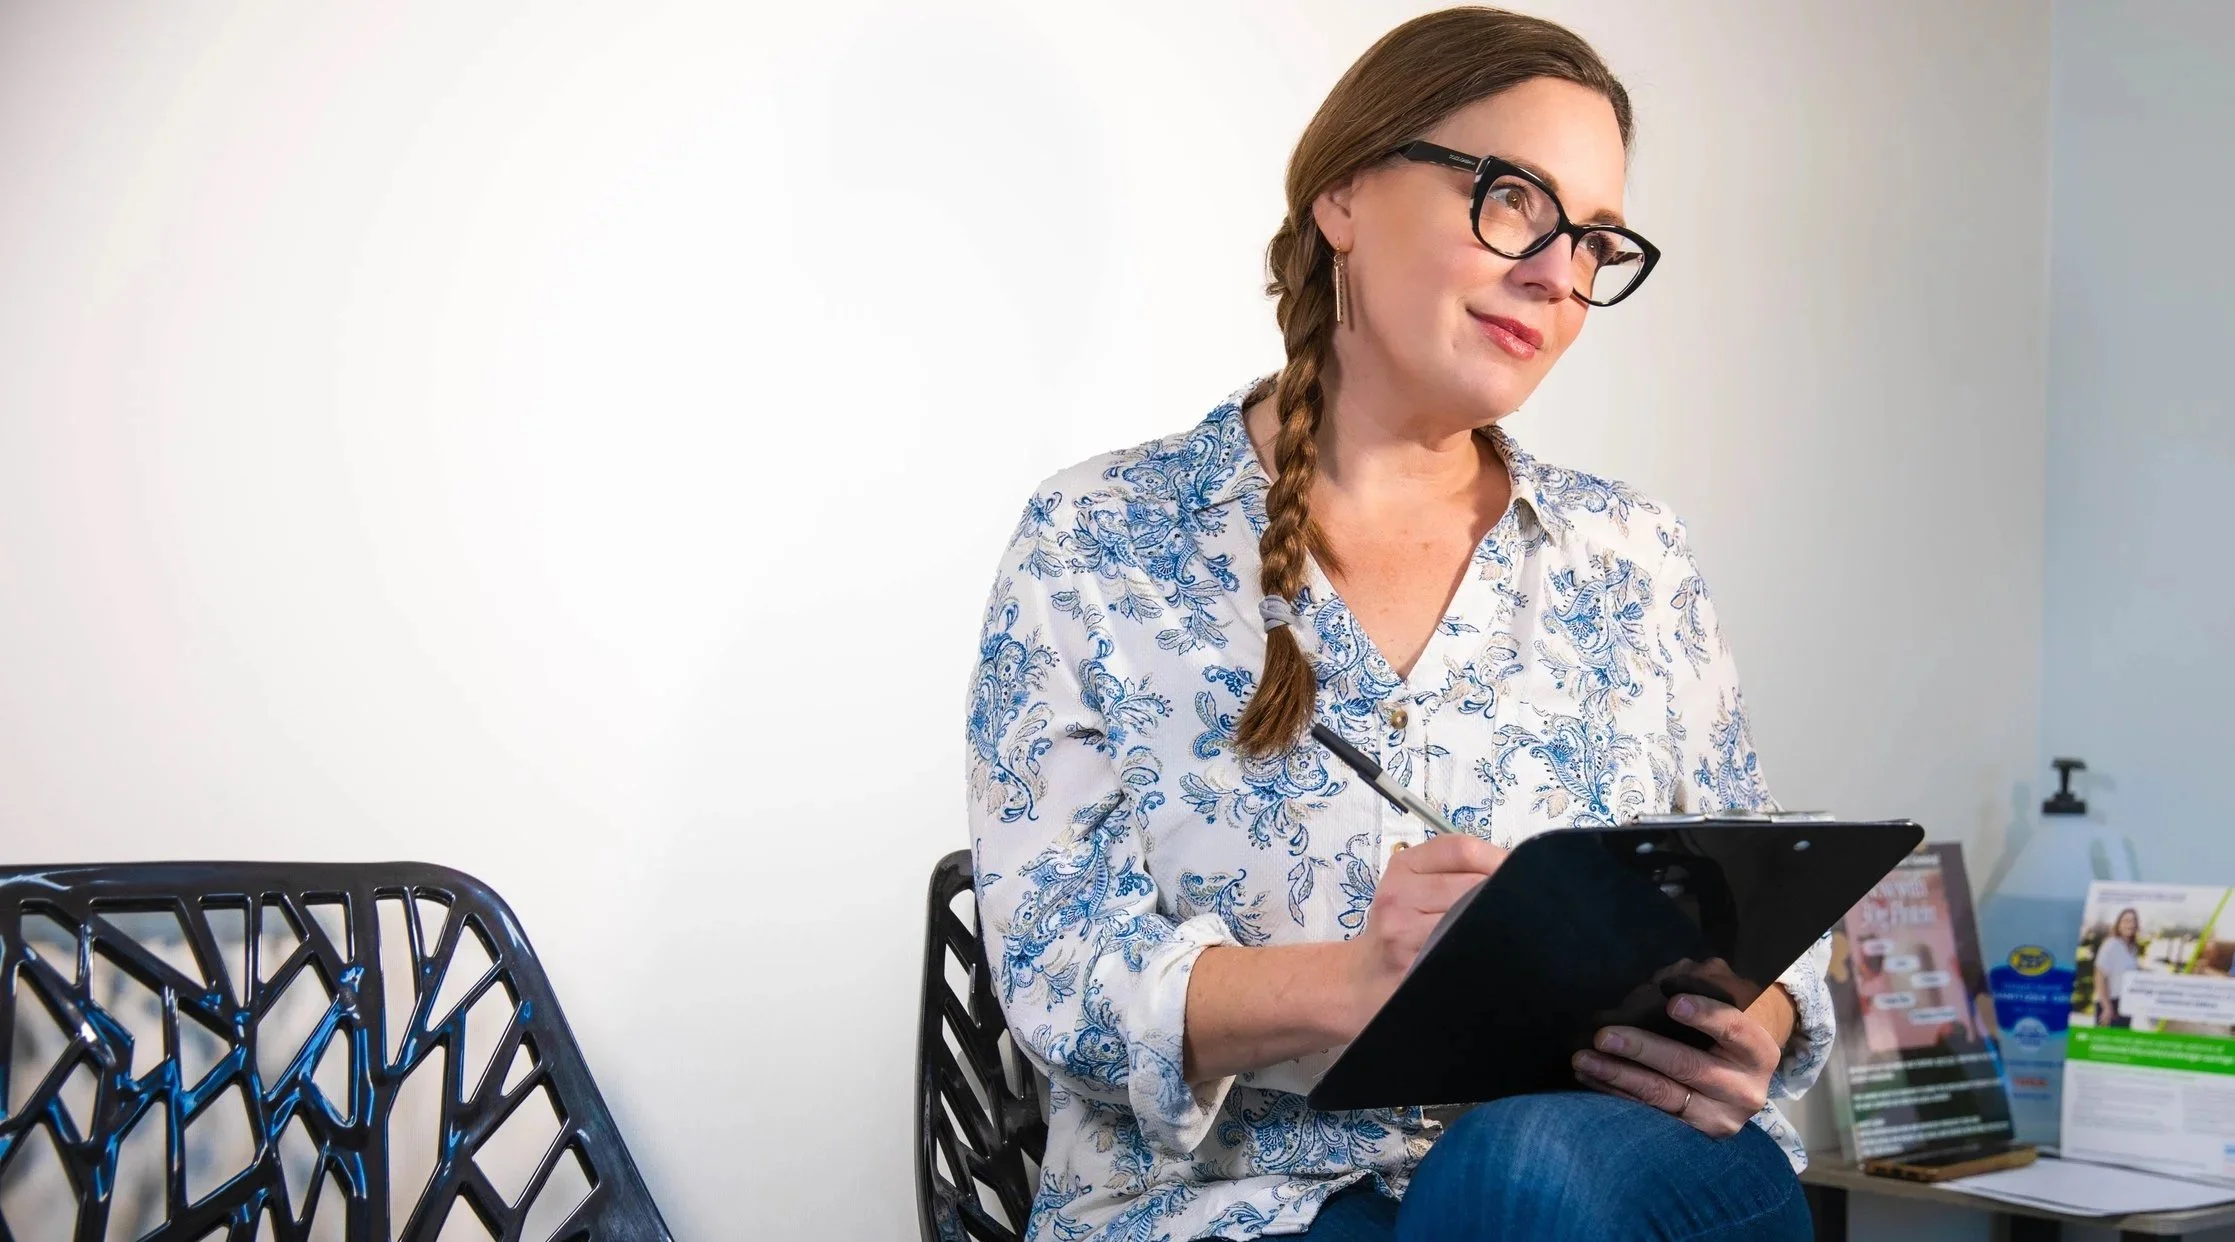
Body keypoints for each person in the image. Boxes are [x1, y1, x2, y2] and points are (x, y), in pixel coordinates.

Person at [962, 9, 1828, 1239]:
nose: (1557, 273)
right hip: (1235, 1209)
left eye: (1594, 241)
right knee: (1508, 1183)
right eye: (1517, 200)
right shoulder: (1098, 541)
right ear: (1345, 195)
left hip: (1605, 1175)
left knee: (1529, 1171)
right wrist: (1355, 981)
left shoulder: (1634, 559)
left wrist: (1757, 1023)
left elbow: (1762, 897)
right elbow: (1056, 970)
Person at [2094, 907, 2142, 1028]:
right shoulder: (2111, 945)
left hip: (2126, 1004)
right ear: (2118, 924)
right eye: (2126, 921)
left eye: (2133, 921)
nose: (2130, 924)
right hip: (2110, 1003)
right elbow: (2099, 976)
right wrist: (2107, 1007)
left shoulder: (2132, 949)